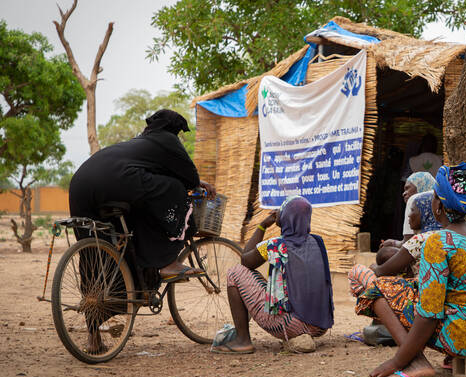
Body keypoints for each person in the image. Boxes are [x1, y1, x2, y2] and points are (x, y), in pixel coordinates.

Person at [351, 162, 466, 377]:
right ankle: (448, 357)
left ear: (438, 207)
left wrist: (397, 362)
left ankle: (415, 363)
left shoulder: (439, 241)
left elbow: (429, 313)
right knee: (456, 296)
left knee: (377, 288)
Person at [69, 109, 215, 281]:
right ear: (173, 129)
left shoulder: (139, 142)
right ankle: (168, 263)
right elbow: (190, 177)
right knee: (175, 188)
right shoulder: (167, 139)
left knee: (99, 244)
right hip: (114, 181)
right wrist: (197, 183)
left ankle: (102, 297)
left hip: (80, 184)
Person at [216, 196, 334, 354]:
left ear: (285, 217)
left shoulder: (276, 245)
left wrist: (263, 225)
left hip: (290, 325)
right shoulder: (318, 242)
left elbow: (245, 260)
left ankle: (243, 340)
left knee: (235, 273)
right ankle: (303, 332)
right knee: (271, 282)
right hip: (320, 326)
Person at [382, 171, 437, 249]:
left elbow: (407, 244)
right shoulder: (440, 200)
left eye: (407, 188)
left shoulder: (414, 199)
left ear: (420, 185)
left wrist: (392, 243)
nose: (403, 193)